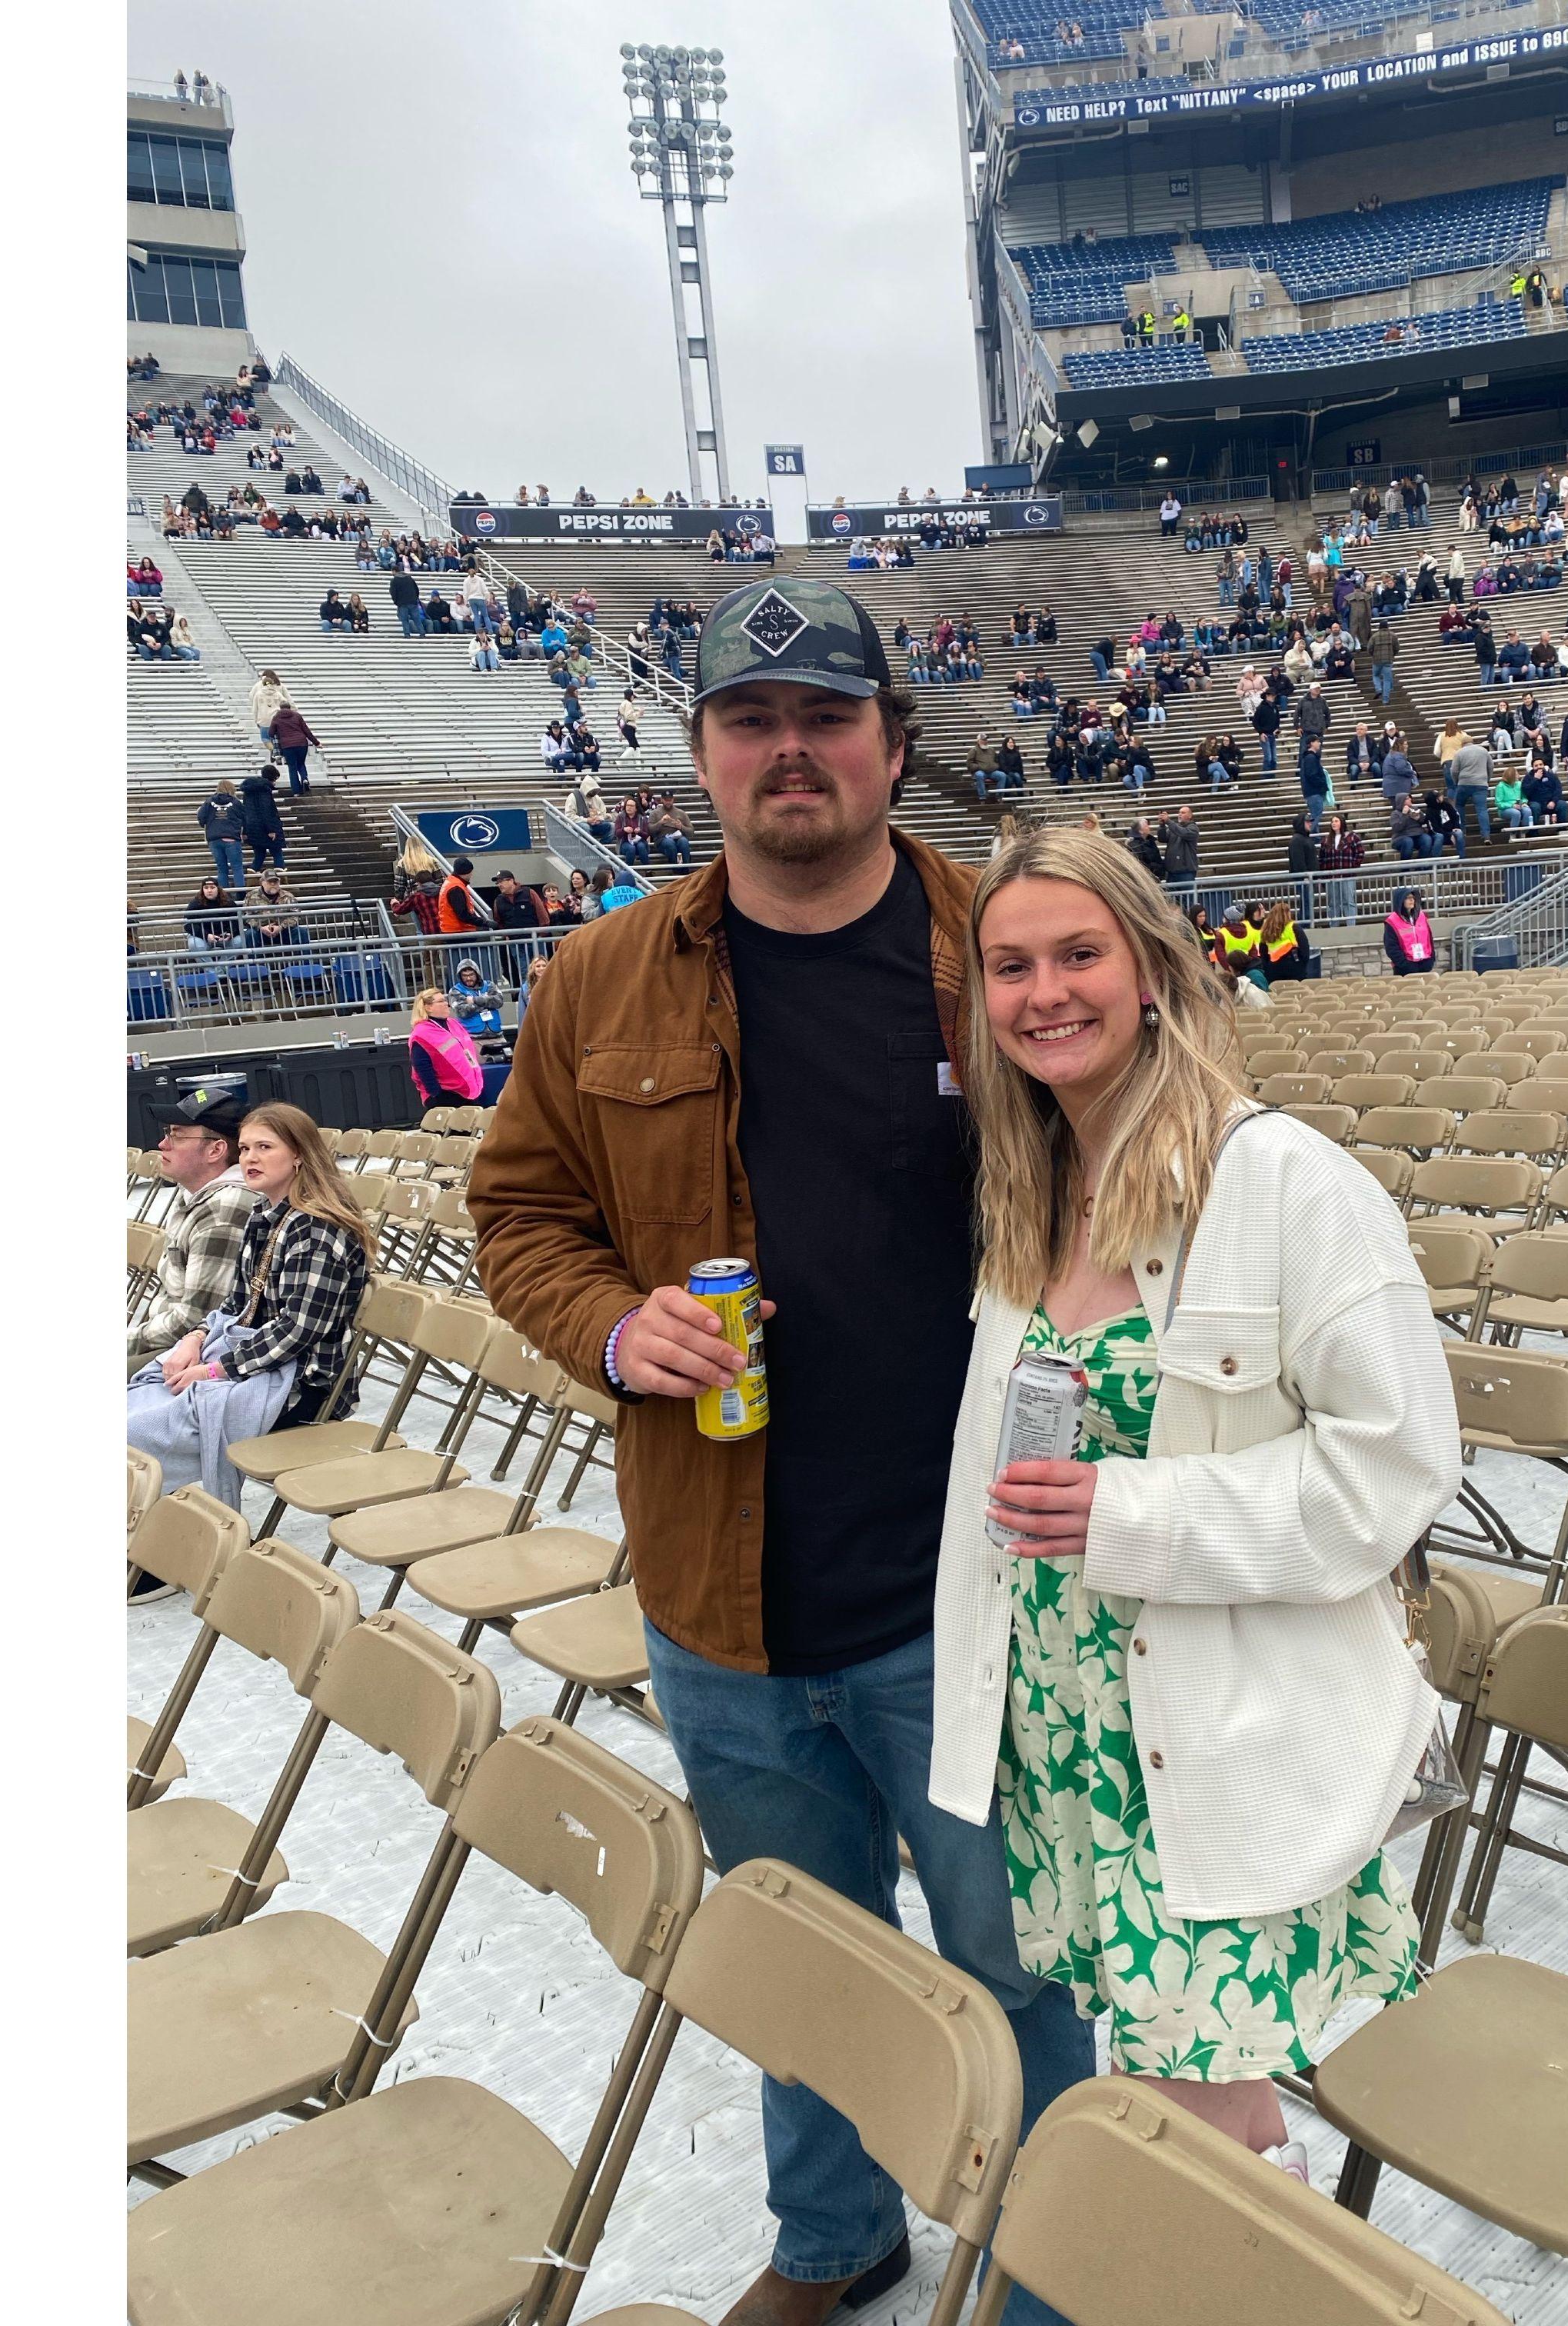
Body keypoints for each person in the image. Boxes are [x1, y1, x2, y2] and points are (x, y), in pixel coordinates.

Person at [464, 575, 1095, 2325]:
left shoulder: (1004, 952)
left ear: (893, 743)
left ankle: (1049, 2267)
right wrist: (613, 1326)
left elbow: (1150, 1174)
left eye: (828, 716)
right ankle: (836, 2240)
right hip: (723, 1603)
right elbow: (520, 1213)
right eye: (753, 720)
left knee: (1016, 1963)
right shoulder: (602, 974)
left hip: (969, 1594)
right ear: (703, 755)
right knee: (801, 1969)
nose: (790, 750)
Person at [934, 826, 1459, 2178]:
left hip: (1214, 1720)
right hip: (1070, 1716)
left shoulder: (1281, 1180)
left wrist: (1135, 1518)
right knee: (1172, 2085)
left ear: (1154, 970)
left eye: (1078, 953)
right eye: (1010, 966)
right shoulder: (1028, 1186)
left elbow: (1397, 1464)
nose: (1044, 991)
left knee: (1200, 2117)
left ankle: (1240, 2268)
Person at [127, 1105, 375, 1509]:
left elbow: (297, 1331)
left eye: (264, 1147)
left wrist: (215, 1370)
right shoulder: (264, 1214)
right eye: (244, 1149)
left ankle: (162, 1536)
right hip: (253, 1363)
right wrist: (195, 1338)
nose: (249, 1158)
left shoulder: (317, 1232)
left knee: (135, 1436)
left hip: (301, 1385)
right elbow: (237, 1301)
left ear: (299, 1155)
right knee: (138, 1404)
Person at [127, 1084, 265, 1378]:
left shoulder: (223, 1211)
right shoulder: (196, 1193)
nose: (163, 1144)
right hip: (171, 1340)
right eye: (167, 1133)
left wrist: (126, 1342)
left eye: (176, 1135)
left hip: (190, 1352)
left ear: (215, 1150)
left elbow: (193, 1319)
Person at [408, 985, 487, 1110]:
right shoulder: (422, 1033)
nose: (446, 1004)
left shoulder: (453, 1024)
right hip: (446, 1094)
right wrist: (436, 1094)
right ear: (428, 1007)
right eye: (441, 1001)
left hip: (469, 1089)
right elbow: (422, 1066)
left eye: (445, 1000)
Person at [1443, 728, 1494, 858]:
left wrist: (1457, 782)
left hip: (1464, 783)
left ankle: (1462, 830)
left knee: (1459, 806)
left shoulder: (1459, 753)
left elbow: (1454, 770)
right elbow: (1491, 767)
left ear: (1462, 744)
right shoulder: (1483, 751)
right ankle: (1486, 835)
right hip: (1481, 783)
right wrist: (1486, 779)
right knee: (1482, 809)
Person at [1318, 811, 1365, 926]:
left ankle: (1351, 926)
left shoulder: (1352, 837)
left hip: (1347, 875)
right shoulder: (1326, 840)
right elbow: (1322, 857)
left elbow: (1360, 853)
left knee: (1348, 901)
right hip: (1331, 876)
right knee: (1333, 903)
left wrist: (1353, 867)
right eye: (1332, 822)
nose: (1334, 823)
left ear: (1342, 823)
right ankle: (1334, 926)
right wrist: (1324, 872)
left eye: (1336, 821)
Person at [197, 781, 246, 891]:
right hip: (231, 838)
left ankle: (224, 895)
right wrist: (244, 832)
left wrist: (208, 825)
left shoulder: (209, 802)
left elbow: (201, 817)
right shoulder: (236, 802)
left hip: (214, 838)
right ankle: (240, 894)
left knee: (222, 869)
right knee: (237, 867)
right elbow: (244, 817)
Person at [239, 764, 287, 875]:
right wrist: (271, 829)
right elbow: (266, 811)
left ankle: (252, 875)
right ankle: (281, 875)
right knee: (277, 852)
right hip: (265, 827)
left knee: (259, 854)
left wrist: (245, 830)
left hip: (252, 827)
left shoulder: (248, 791)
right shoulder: (265, 790)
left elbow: (245, 811)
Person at [1381, 886, 1435, 976]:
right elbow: (1391, 948)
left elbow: (1429, 940)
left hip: (1425, 965)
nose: (1412, 900)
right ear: (1400, 901)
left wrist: (1431, 960)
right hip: (1404, 970)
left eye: (1413, 897)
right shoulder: (1392, 921)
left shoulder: (1422, 917)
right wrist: (1406, 965)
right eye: (1407, 898)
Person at [270, 701, 319, 795]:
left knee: (292, 767)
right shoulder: (297, 716)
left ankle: (297, 791)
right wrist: (316, 743)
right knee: (301, 763)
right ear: (290, 707)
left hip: (287, 746)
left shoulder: (276, 717)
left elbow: (271, 733)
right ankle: (304, 778)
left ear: (280, 708)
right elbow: (306, 730)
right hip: (302, 743)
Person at [1160, 803, 1200, 910]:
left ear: (1190, 816)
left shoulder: (1193, 828)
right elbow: (1162, 838)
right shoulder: (1174, 828)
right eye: (1179, 812)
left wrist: (1169, 822)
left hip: (1186, 872)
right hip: (1172, 873)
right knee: (1173, 905)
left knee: (1188, 904)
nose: (1180, 814)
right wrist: (1162, 826)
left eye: (1183, 812)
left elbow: (1183, 833)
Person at [1286, 808, 1320, 925]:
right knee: (1306, 904)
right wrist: (1305, 876)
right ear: (1301, 823)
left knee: (1308, 904)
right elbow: (1298, 861)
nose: (1310, 824)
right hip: (1305, 879)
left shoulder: (1304, 838)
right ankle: (1305, 927)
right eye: (1308, 822)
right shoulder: (1297, 840)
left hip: (1309, 878)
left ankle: (1306, 926)